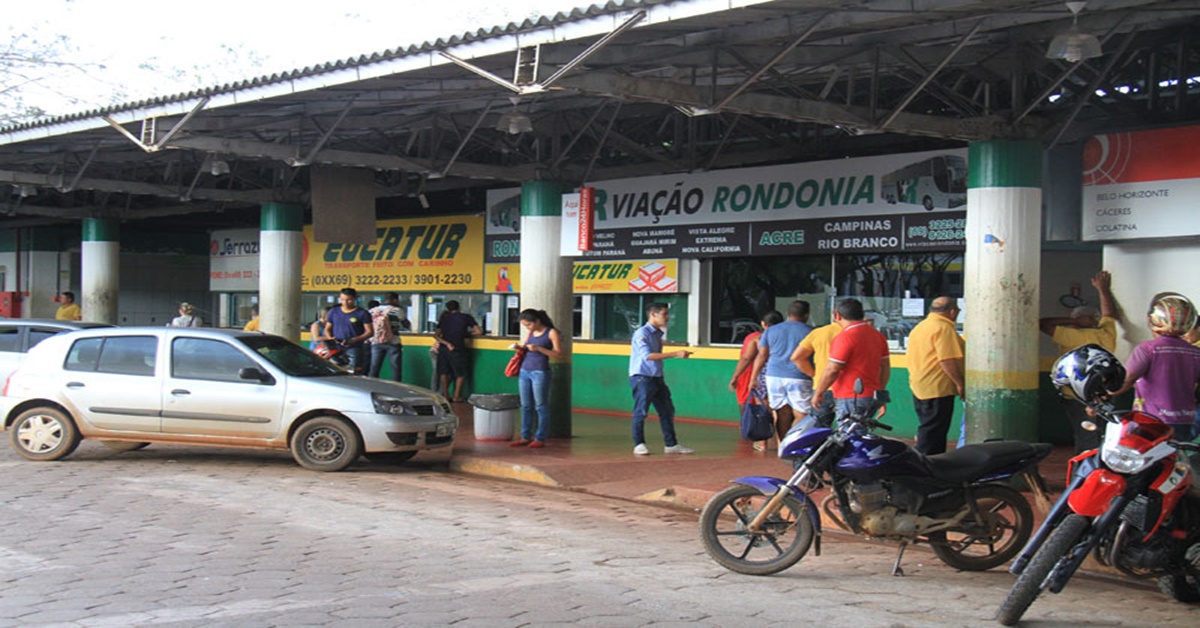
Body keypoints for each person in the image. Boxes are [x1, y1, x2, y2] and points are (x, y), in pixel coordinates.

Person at [1040, 270, 1117, 453]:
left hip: (1076, 396)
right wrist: (1103, 289)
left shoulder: (1071, 336)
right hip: (1103, 394)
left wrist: (1073, 321)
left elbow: (1042, 323)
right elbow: (1109, 314)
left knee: (1086, 439)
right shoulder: (1106, 334)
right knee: (1103, 436)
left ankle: (1084, 476)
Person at [1107, 293, 1200, 441]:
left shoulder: (1148, 349)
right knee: (1176, 459)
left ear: (1153, 319)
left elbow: (1126, 381)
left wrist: (1105, 393)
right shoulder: (1196, 353)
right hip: (1185, 420)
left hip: (1151, 421)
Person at [629, 302, 694, 455]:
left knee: (667, 411)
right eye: (664, 314)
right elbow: (648, 356)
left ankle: (671, 444)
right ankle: (639, 444)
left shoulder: (657, 333)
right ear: (653, 314)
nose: (667, 317)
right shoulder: (642, 333)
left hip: (657, 377)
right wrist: (675, 354)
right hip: (642, 377)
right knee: (641, 411)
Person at [811, 298, 891, 420]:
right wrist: (880, 392)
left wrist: (819, 392)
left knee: (848, 435)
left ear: (837, 315)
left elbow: (832, 369)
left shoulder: (845, 337)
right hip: (871, 396)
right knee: (858, 432)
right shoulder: (877, 336)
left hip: (850, 396)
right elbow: (885, 367)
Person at [748, 300, 813, 445]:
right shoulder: (810, 331)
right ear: (806, 315)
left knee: (782, 414)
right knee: (802, 413)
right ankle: (793, 443)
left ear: (788, 314)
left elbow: (762, 356)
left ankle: (783, 445)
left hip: (773, 376)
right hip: (799, 376)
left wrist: (753, 378)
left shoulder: (771, 330)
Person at [905, 297, 965, 455]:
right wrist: (959, 383)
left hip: (920, 386)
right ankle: (925, 467)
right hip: (938, 388)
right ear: (952, 311)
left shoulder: (920, 327)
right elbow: (946, 360)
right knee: (933, 433)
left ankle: (929, 464)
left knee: (929, 428)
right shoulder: (943, 328)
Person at [728, 310, 782, 451]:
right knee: (781, 410)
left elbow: (747, 358)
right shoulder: (786, 336)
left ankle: (762, 442)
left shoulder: (759, 338)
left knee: (763, 409)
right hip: (782, 375)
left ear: (763, 324)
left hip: (764, 376)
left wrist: (735, 376)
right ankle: (780, 442)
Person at [511, 309, 563, 449]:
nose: (527, 328)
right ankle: (525, 436)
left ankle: (540, 437)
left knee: (540, 405)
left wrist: (539, 349)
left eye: (528, 324)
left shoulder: (551, 332)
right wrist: (521, 348)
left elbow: (558, 354)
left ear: (537, 321)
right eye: (525, 325)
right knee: (526, 405)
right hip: (524, 370)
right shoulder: (530, 333)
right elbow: (528, 349)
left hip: (540, 371)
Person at [790, 318, 842, 429]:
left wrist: (814, 375)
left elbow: (797, 357)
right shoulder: (857, 333)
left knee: (817, 430)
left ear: (836, 315)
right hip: (849, 389)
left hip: (822, 386)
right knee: (848, 430)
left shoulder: (819, 332)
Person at [434, 300, 481, 401]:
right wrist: (466, 334)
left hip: (443, 349)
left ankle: (446, 395)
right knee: (460, 373)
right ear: (459, 307)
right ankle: (456, 396)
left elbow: (436, 335)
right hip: (458, 348)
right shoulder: (466, 317)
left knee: (444, 372)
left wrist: (447, 343)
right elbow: (478, 331)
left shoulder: (444, 319)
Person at [324, 288, 373, 374]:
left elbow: (370, 332)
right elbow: (327, 329)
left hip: (354, 348)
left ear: (355, 299)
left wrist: (355, 339)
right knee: (334, 371)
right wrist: (330, 338)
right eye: (342, 300)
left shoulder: (362, 313)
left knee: (352, 372)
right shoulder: (333, 312)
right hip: (336, 348)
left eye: (349, 300)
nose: (345, 302)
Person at [368, 292, 410, 381]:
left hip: (376, 342)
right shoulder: (397, 310)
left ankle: (371, 386)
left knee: (374, 367)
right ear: (395, 300)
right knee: (395, 368)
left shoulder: (372, 310)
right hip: (393, 342)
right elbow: (406, 325)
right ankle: (396, 389)